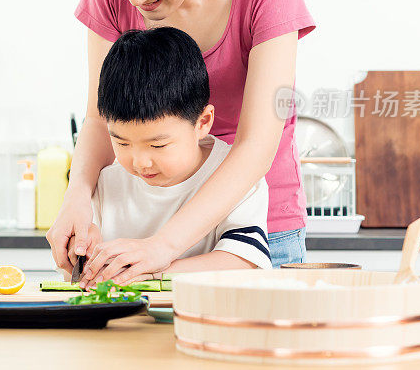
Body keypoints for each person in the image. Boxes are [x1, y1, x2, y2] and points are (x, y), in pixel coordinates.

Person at [48, 0, 316, 285]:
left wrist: (165, 246)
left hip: (255, 226)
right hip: (151, 224)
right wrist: (76, 196)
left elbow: (257, 143)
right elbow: (100, 117)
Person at [67, 27, 271, 288]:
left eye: (158, 145)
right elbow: (78, 271)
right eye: (121, 142)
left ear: (203, 122)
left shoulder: (236, 174)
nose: (140, 162)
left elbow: (244, 262)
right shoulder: (105, 178)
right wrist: (81, 253)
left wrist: (150, 274)